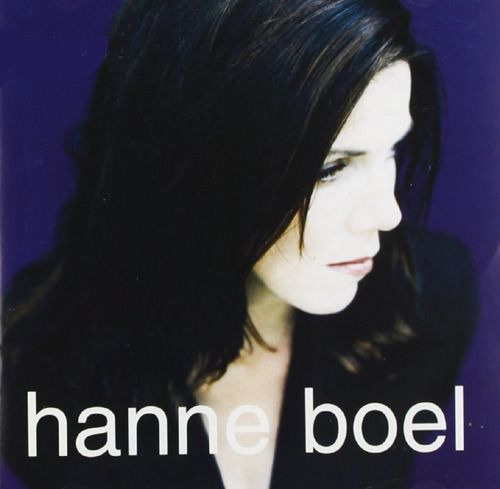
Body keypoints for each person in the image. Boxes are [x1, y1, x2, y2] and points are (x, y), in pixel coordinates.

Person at [2, 1, 477, 488]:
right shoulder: (39, 358)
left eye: (391, 151)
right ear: (202, 159)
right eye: (331, 168)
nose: (387, 214)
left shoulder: (429, 303)